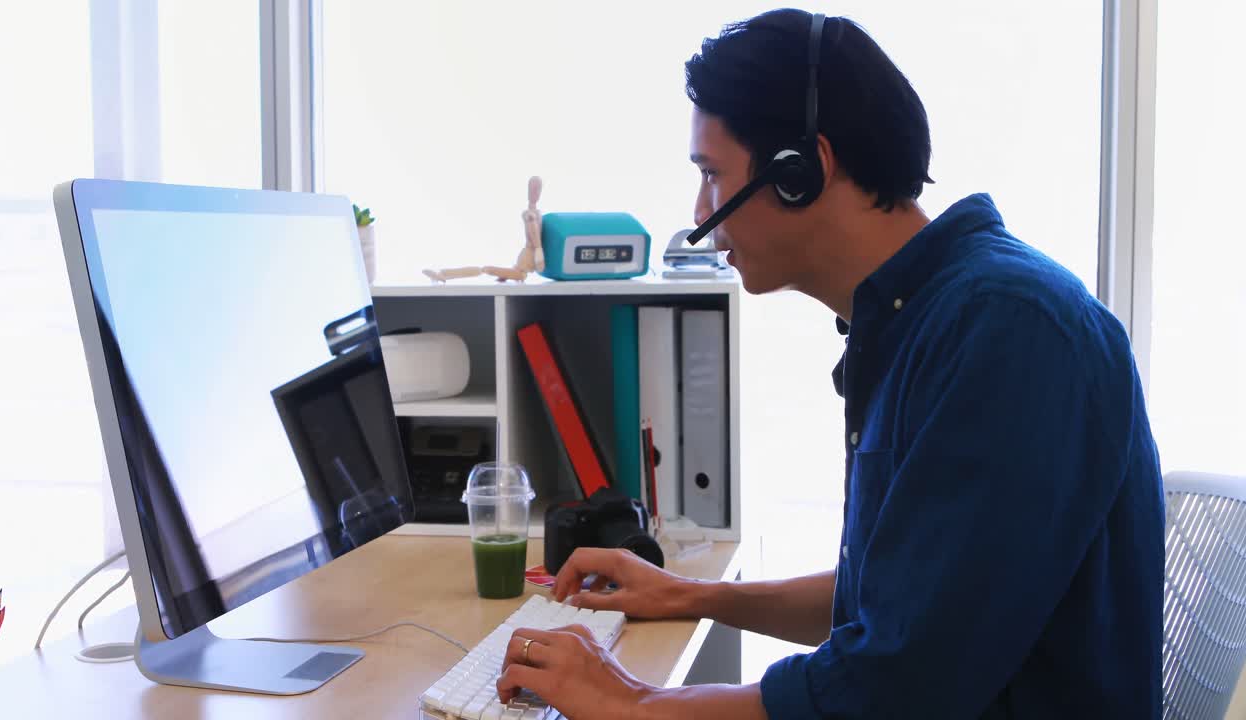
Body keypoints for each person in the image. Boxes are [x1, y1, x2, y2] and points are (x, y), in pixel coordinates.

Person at [496, 8, 1164, 719]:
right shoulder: (927, 321)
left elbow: (897, 686)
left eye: (712, 174)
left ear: (801, 170)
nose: (701, 214)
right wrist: (693, 595)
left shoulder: (1008, 333)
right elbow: (897, 604)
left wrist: (631, 704)